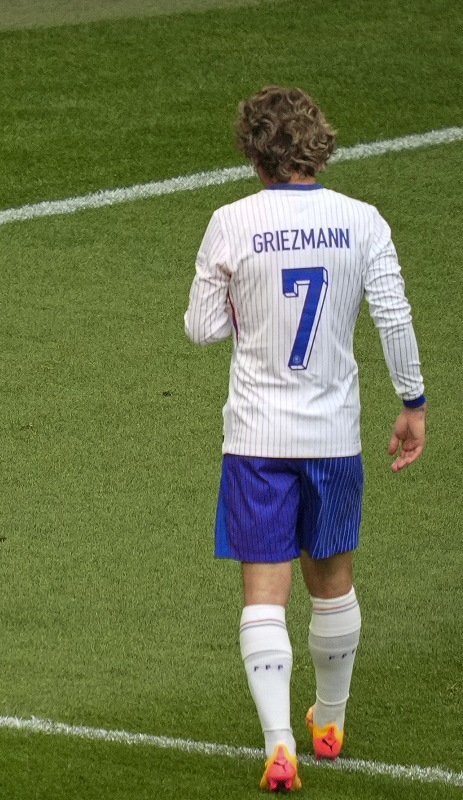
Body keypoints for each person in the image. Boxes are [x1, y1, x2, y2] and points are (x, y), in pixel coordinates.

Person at [184, 86, 425, 792]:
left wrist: (243, 304)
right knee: (333, 586)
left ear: (254, 152)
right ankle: (330, 720)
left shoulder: (230, 222)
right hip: (332, 436)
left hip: (257, 438)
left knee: (264, 593)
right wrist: (412, 401)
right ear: (317, 143)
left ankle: (279, 743)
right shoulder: (363, 221)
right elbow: (395, 317)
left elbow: (202, 328)